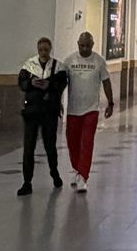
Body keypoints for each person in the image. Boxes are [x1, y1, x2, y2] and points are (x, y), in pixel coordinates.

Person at [62, 31, 114, 193]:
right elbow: (61, 84)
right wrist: (58, 102)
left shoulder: (99, 61)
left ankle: (84, 176)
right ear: (78, 44)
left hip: (91, 109)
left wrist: (110, 103)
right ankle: (77, 169)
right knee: (73, 142)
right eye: (81, 45)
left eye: (87, 46)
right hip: (73, 110)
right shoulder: (69, 61)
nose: (84, 49)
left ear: (92, 45)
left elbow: (106, 82)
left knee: (87, 142)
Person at [16, 36, 67, 195]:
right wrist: (31, 83)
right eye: (40, 50)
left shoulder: (58, 66)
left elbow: (62, 83)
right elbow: (21, 83)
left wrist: (49, 85)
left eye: (46, 50)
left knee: (50, 145)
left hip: (49, 112)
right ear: (37, 50)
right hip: (32, 112)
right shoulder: (29, 65)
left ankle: (55, 173)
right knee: (28, 147)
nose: (43, 53)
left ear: (50, 49)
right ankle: (27, 181)